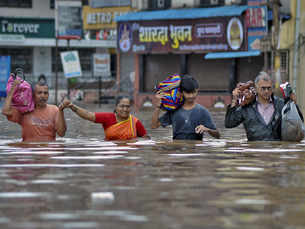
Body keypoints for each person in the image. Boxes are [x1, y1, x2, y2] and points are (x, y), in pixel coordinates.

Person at [151, 75, 220, 140]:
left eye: (194, 92)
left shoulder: (202, 111)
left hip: (195, 149)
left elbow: (217, 135)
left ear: (197, 90)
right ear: (181, 92)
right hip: (177, 148)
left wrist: (207, 129)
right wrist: (158, 106)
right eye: (188, 93)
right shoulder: (174, 110)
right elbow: (154, 126)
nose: (191, 96)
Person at [225, 71, 285, 141]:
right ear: (256, 88)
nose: (266, 91)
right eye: (263, 88)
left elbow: (295, 125)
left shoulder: (280, 104)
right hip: (254, 149)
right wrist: (234, 100)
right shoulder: (247, 107)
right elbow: (229, 124)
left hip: (276, 148)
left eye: (269, 88)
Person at [2, 79, 67, 142]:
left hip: (49, 150)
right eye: (39, 93)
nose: (43, 96)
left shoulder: (55, 110)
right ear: (32, 95)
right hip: (29, 150)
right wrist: (12, 90)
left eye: (45, 93)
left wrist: (61, 111)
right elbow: (5, 111)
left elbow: (61, 133)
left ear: (48, 95)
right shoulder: (25, 110)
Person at [62, 96, 148, 140]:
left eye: (127, 106)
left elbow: (146, 139)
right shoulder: (108, 118)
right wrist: (72, 106)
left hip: (130, 155)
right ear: (116, 107)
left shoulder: (135, 122)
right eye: (122, 106)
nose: (125, 109)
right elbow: (88, 115)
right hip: (111, 152)